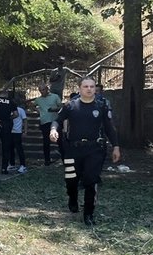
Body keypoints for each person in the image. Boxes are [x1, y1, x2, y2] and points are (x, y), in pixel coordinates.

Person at [50, 76, 121, 226]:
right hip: (72, 150)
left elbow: (109, 128)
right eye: (85, 86)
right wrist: (53, 130)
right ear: (80, 89)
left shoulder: (101, 106)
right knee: (71, 180)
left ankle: (88, 213)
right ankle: (72, 198)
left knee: (91, 180)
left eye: (92, 86)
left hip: (94, 149)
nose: (89, 89)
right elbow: (57, 120)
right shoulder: (71, 105)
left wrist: (116, 146)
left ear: (95, 88)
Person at [0, 89, 18, 174]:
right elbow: (16, 114)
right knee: (6, 147)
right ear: (6, 94)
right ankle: (4, 168)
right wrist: (8, 119)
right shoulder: (11, 102)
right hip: (6, 125)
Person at [33, 84, 62, 165]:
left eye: (43, 89)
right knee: (46, 142)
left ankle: (64, 158)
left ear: (47, 89)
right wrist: (38, 110)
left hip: (55, 121)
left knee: (60, 140)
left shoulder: (55, 96)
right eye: (40, 90)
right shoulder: (38, 99)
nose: (42, 92)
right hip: (44, 121)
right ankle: (47, 160)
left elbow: (61, 106)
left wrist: (54, 109)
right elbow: (32, 105)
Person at [9, 104, 27, 173]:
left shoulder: (20, 110)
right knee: (10, 148)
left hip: (17, 131)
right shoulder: (8, 109)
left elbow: (25, 120)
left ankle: (23, 165)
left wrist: (25, 131)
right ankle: (12, 164)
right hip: (10, 131)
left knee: (19, 148)